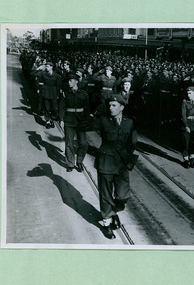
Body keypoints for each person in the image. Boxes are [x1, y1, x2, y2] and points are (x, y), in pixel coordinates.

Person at [85, 95, 137, 239]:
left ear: (122, 107)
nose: (111, 108)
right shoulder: (103, 120)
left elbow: (132, 141)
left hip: (122, 163)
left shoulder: (129, 122)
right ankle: (107, 223)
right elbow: (87, 129)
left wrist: (126, 156)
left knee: (123, 195)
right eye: (109, 105)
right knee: (106, 193)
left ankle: (114, 210)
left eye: (114, 105)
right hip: (106, 161)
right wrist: (101, 146)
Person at [59, 73, 90, 172]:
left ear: (76, 81)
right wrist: (61, 119)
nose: (69, 82)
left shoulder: (84, 94)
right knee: (69, 143)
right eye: (68, 81)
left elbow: (87, 109)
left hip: (81, 120)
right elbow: (62, 107)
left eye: (71, 80)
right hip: (69, 120)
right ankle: (70, 163)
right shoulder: (65, 93)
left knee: (84, 143)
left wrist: (87, 121)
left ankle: (80, 161)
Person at [33, 61, 62, 129]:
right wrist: (38, 69)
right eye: (46, 66)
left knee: (55, 108)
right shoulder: (43, 74)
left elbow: (58, 86)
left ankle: (52, 119)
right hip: (45, 92)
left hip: (54, 93)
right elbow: (33, 74)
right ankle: (48, 121)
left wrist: (58, 94)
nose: (46, 67)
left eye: (48, 66)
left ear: (52, 67)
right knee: (46, 107)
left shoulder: (56, 75)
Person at [180, 86, 194, 168]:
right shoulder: (185, 102)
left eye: (190, 93)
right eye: (187, 93)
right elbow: (183, 115)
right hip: (186, 124)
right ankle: (186, 159)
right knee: (185, 143)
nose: (188, 95)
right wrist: (186, 126)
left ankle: (191, 157)